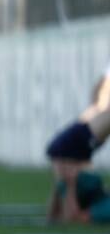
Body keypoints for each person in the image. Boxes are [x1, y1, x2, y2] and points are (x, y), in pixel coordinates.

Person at [46, 68, 110, 224]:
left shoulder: (72, 182)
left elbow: (68, 216)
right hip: (70, 154)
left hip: (69, 154)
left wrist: (71, 186)